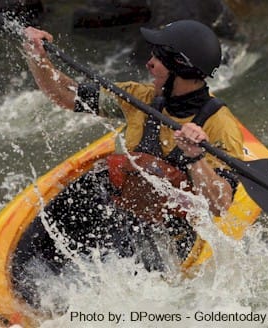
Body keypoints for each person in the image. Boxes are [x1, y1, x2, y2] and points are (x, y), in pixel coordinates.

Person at [21, 20, 243, 272]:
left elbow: (220, 205)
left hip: (166, 235)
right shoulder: (141, 97)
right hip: (117, 209)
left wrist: (195, 156)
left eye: (158, 58)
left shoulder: (221, 125)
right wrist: (37, 57)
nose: (149, 63)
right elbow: (66, 95)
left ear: (181, 68)